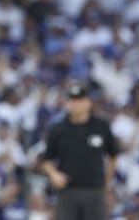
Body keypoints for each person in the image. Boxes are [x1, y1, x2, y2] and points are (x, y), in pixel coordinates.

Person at [42, 85, 119, 220]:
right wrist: (54, 174)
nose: (75, 104)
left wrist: (106, 183)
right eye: (72, 101)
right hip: (67, 191)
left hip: (94, 191)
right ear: (67, 103)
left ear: (88, 102)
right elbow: (46, 160)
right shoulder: (58, 129)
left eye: (79, 100)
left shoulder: (101, 126)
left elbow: (113, 156)